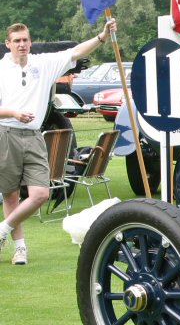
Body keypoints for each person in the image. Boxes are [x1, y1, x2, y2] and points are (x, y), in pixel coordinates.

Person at [0, 18, 116, 264]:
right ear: (8, 44)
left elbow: (75, 52)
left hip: (33, 136)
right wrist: (14, 113)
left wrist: (102, 36)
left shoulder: (44, 64)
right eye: (16, 41)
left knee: (40, 193)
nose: (22, 45)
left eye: (25, 40)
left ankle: (3, 230)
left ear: (30, 42)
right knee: (10, 196)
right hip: (6, 133)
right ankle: (20, 248)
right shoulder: (1, 69)